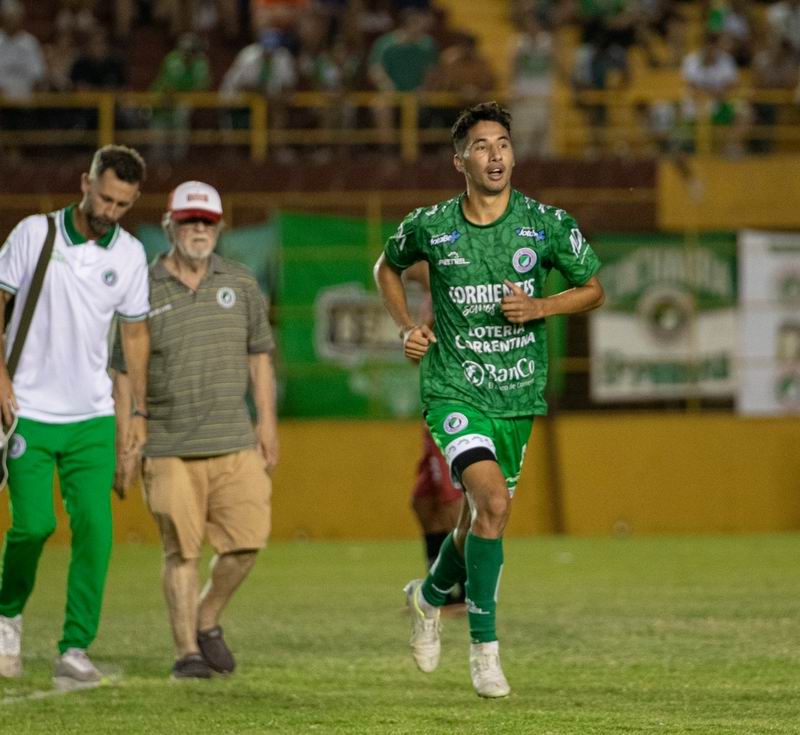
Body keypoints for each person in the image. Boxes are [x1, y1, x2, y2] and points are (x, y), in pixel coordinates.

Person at [374, 101, 604, 698]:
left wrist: (542, 306)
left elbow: (593, 288)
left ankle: (426, 598)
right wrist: (405, 327)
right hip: (453, 388)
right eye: (481, 145)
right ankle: (485, 650)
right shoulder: (431, 226)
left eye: (503, 143)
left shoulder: (545, 224)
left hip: (517, 393)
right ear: (460, 160)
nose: (495, 154)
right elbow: (386, 266)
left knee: (483, 515)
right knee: (492, 505)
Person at [114, 181, 278, 679]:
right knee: (181, 550)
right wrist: (127, 438)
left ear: (220, 227)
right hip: (166, 443)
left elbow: (260, 357)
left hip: (234, 439)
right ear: (170, 226)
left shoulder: (243, 283)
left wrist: (267, 422)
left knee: (247, 543)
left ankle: (206, 618)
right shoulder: (139, 289)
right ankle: (186, 652)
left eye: (207, 222)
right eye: (189, 221)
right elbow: (122, 371)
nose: (199, 230)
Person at [0, 145, 150, 688]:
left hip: (92, 416)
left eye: (123, 204)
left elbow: (134, 335)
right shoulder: (33, 234)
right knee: (33, 525)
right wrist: (0, 377)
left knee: (97, 531)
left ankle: (75, 647)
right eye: (105, 197)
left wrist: (135, 415)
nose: (110, 210)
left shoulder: (129, 255)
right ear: (85, 181)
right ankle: (6, 616)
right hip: (28, 411)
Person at [402, 262, 464, 605]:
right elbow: (418, 359)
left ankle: (469, 595)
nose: (406, 265)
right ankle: (440, 592)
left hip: (454, 413)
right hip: (433, 411)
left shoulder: (450, 293)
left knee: (455, 504)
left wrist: (422, 330)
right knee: (423, 502)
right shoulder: (429, 298)